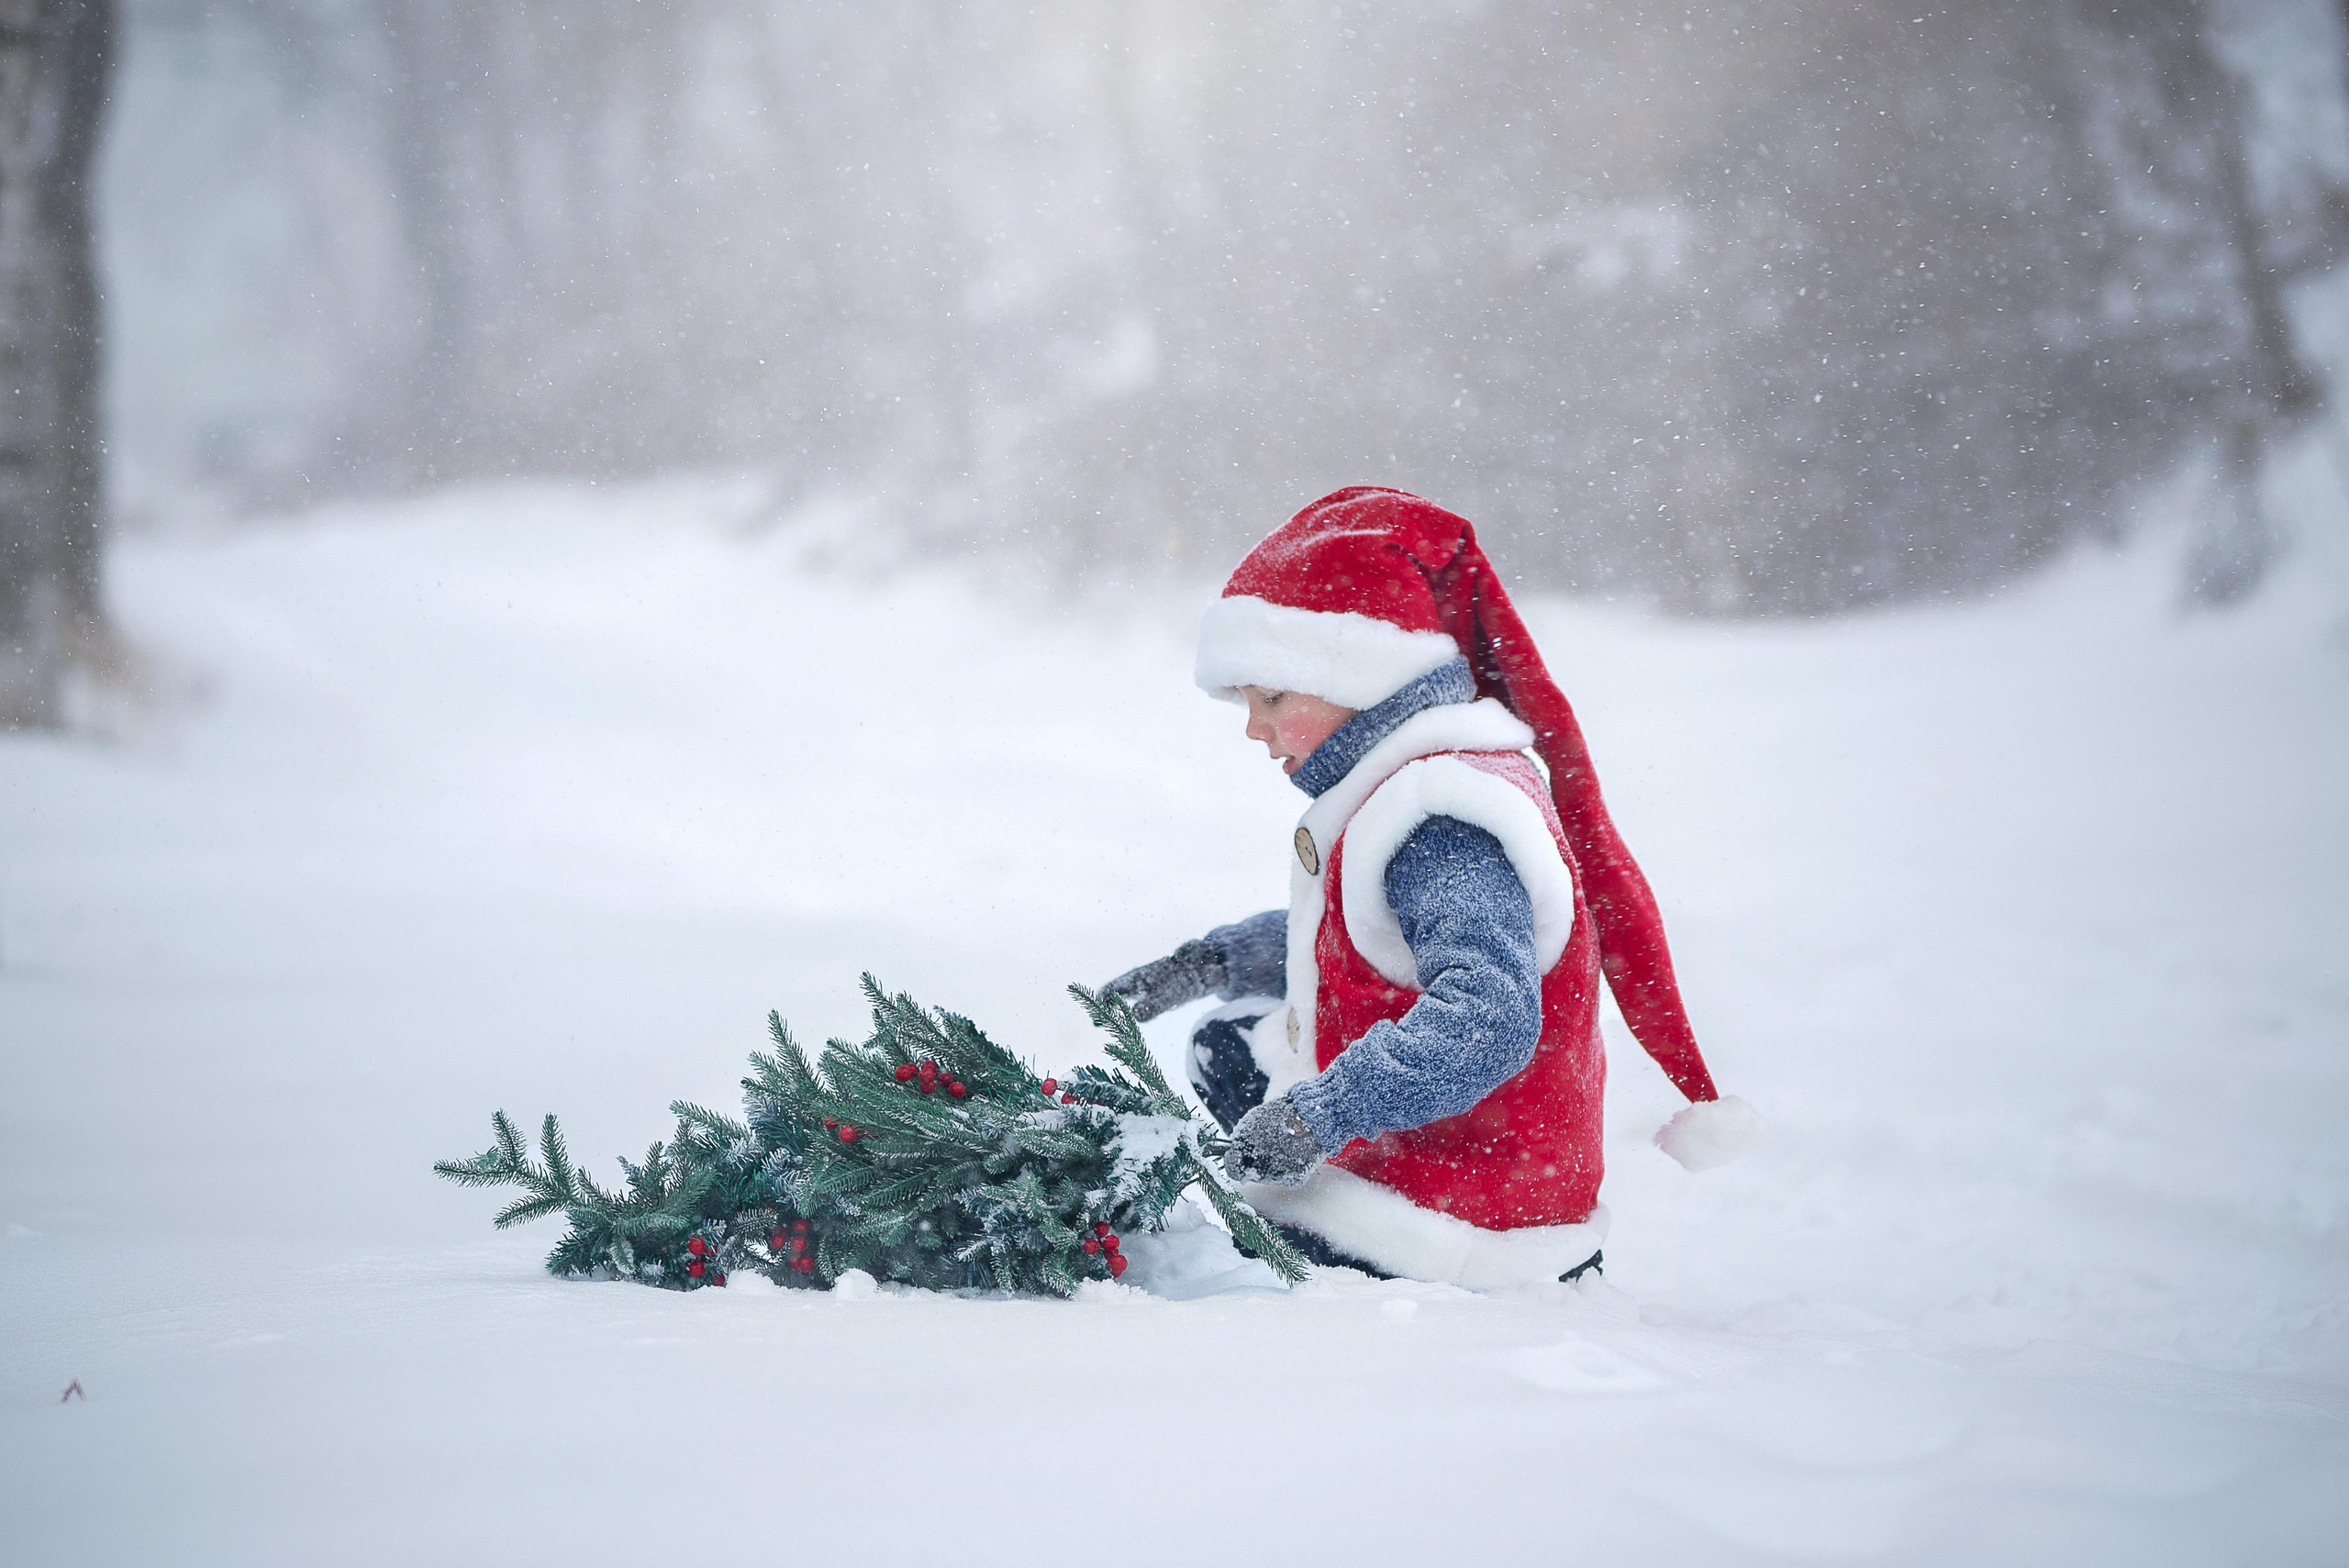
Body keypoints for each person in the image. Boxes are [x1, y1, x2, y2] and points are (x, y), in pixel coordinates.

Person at [1103, 486, 1760, 1290]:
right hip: (1479, 1161)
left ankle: (1334, 1246)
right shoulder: (1416, 784)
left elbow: (1489, 1018)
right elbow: (1364, 941)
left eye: (1271, 698)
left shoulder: (1441, 819)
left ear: (1356, 677)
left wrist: (1316, 1117)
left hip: (1468, 1211)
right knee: (1232, 1037)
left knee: (1232, 1061)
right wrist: (1211, 961)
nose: (1254, 729)